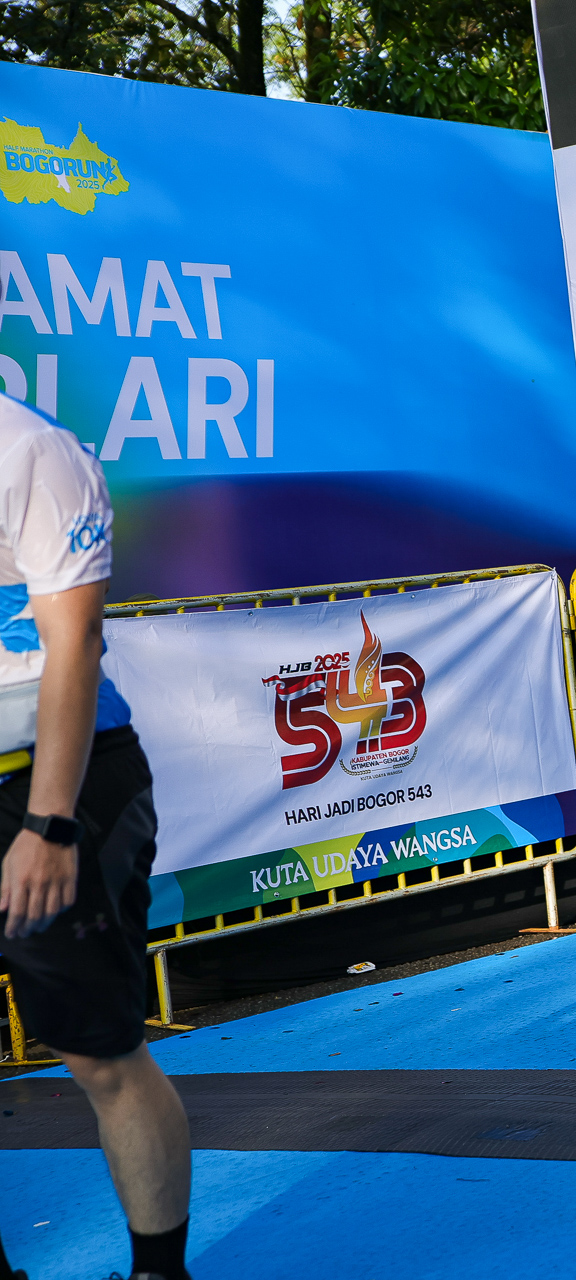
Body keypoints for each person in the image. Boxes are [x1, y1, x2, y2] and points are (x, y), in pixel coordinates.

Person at [0, 393, 192, 1280]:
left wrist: (49, 823)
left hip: (51, 787)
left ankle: (159, 1273)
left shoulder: (30, 448)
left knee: (100, 1056)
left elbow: (73, 644)